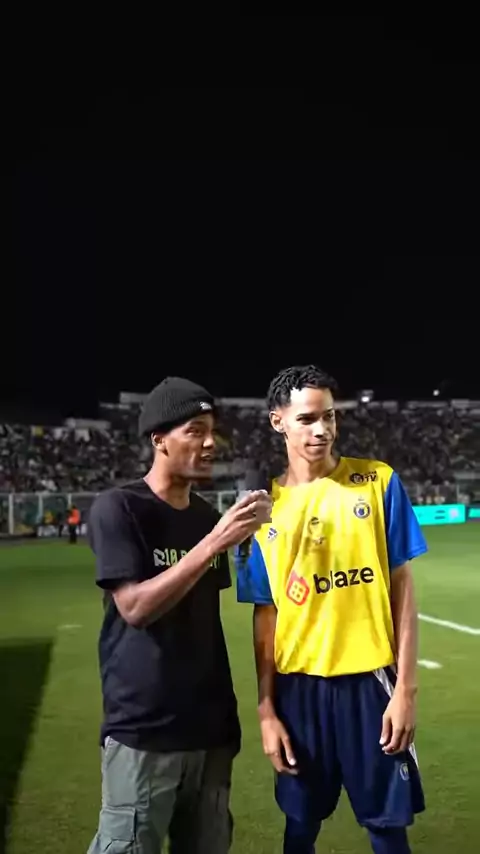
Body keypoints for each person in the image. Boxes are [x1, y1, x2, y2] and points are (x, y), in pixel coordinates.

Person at [236, 365, 428, 854]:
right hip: (299, 692)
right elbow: (265, 617)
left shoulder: (377, 482)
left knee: (387, 827)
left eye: (329, 416)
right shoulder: (263, 512)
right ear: (278, 421)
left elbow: (402, 589)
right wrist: (266, 709)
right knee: (300, 824)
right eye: (306, 419)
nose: (321, 429)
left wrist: (405, 689)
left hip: (372, 686)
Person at [86, 376, 271, 854]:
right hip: (146, 731)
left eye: (212, 431)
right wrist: (213, 544)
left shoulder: (206, 516)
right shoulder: (120, 508)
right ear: (159, 439)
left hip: (211, 731)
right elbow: (135, 607)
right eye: (195, 431)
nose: (210, 442)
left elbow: (202, 617)